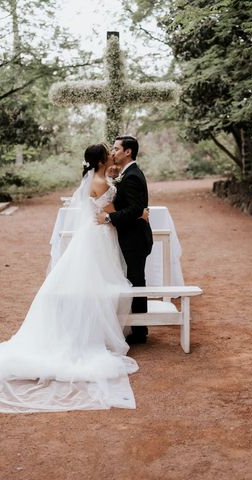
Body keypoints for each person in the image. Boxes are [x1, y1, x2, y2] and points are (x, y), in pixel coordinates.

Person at [0, 143, 140, 413]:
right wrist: (136, 213)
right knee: (97, 284)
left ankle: (94, 331)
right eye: (109, 153)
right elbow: (109, 213)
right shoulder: (100, 182)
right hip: (98, 235)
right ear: (101, 160)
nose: (113, 154)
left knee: (96, 284)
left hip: (94, 234)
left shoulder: (97, 178)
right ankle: (90, 335)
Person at [96, 136, 153, 344]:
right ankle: (137, 328)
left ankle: (140, 332)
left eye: (116, 148)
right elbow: (133, 207)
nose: (113, 152)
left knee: (137, 282)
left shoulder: (133, 176)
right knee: (134, 280)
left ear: (128, 152)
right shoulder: (126, 174)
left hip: (135, 239)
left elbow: (136, 208)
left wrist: (109, 217)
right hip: (131, 236)